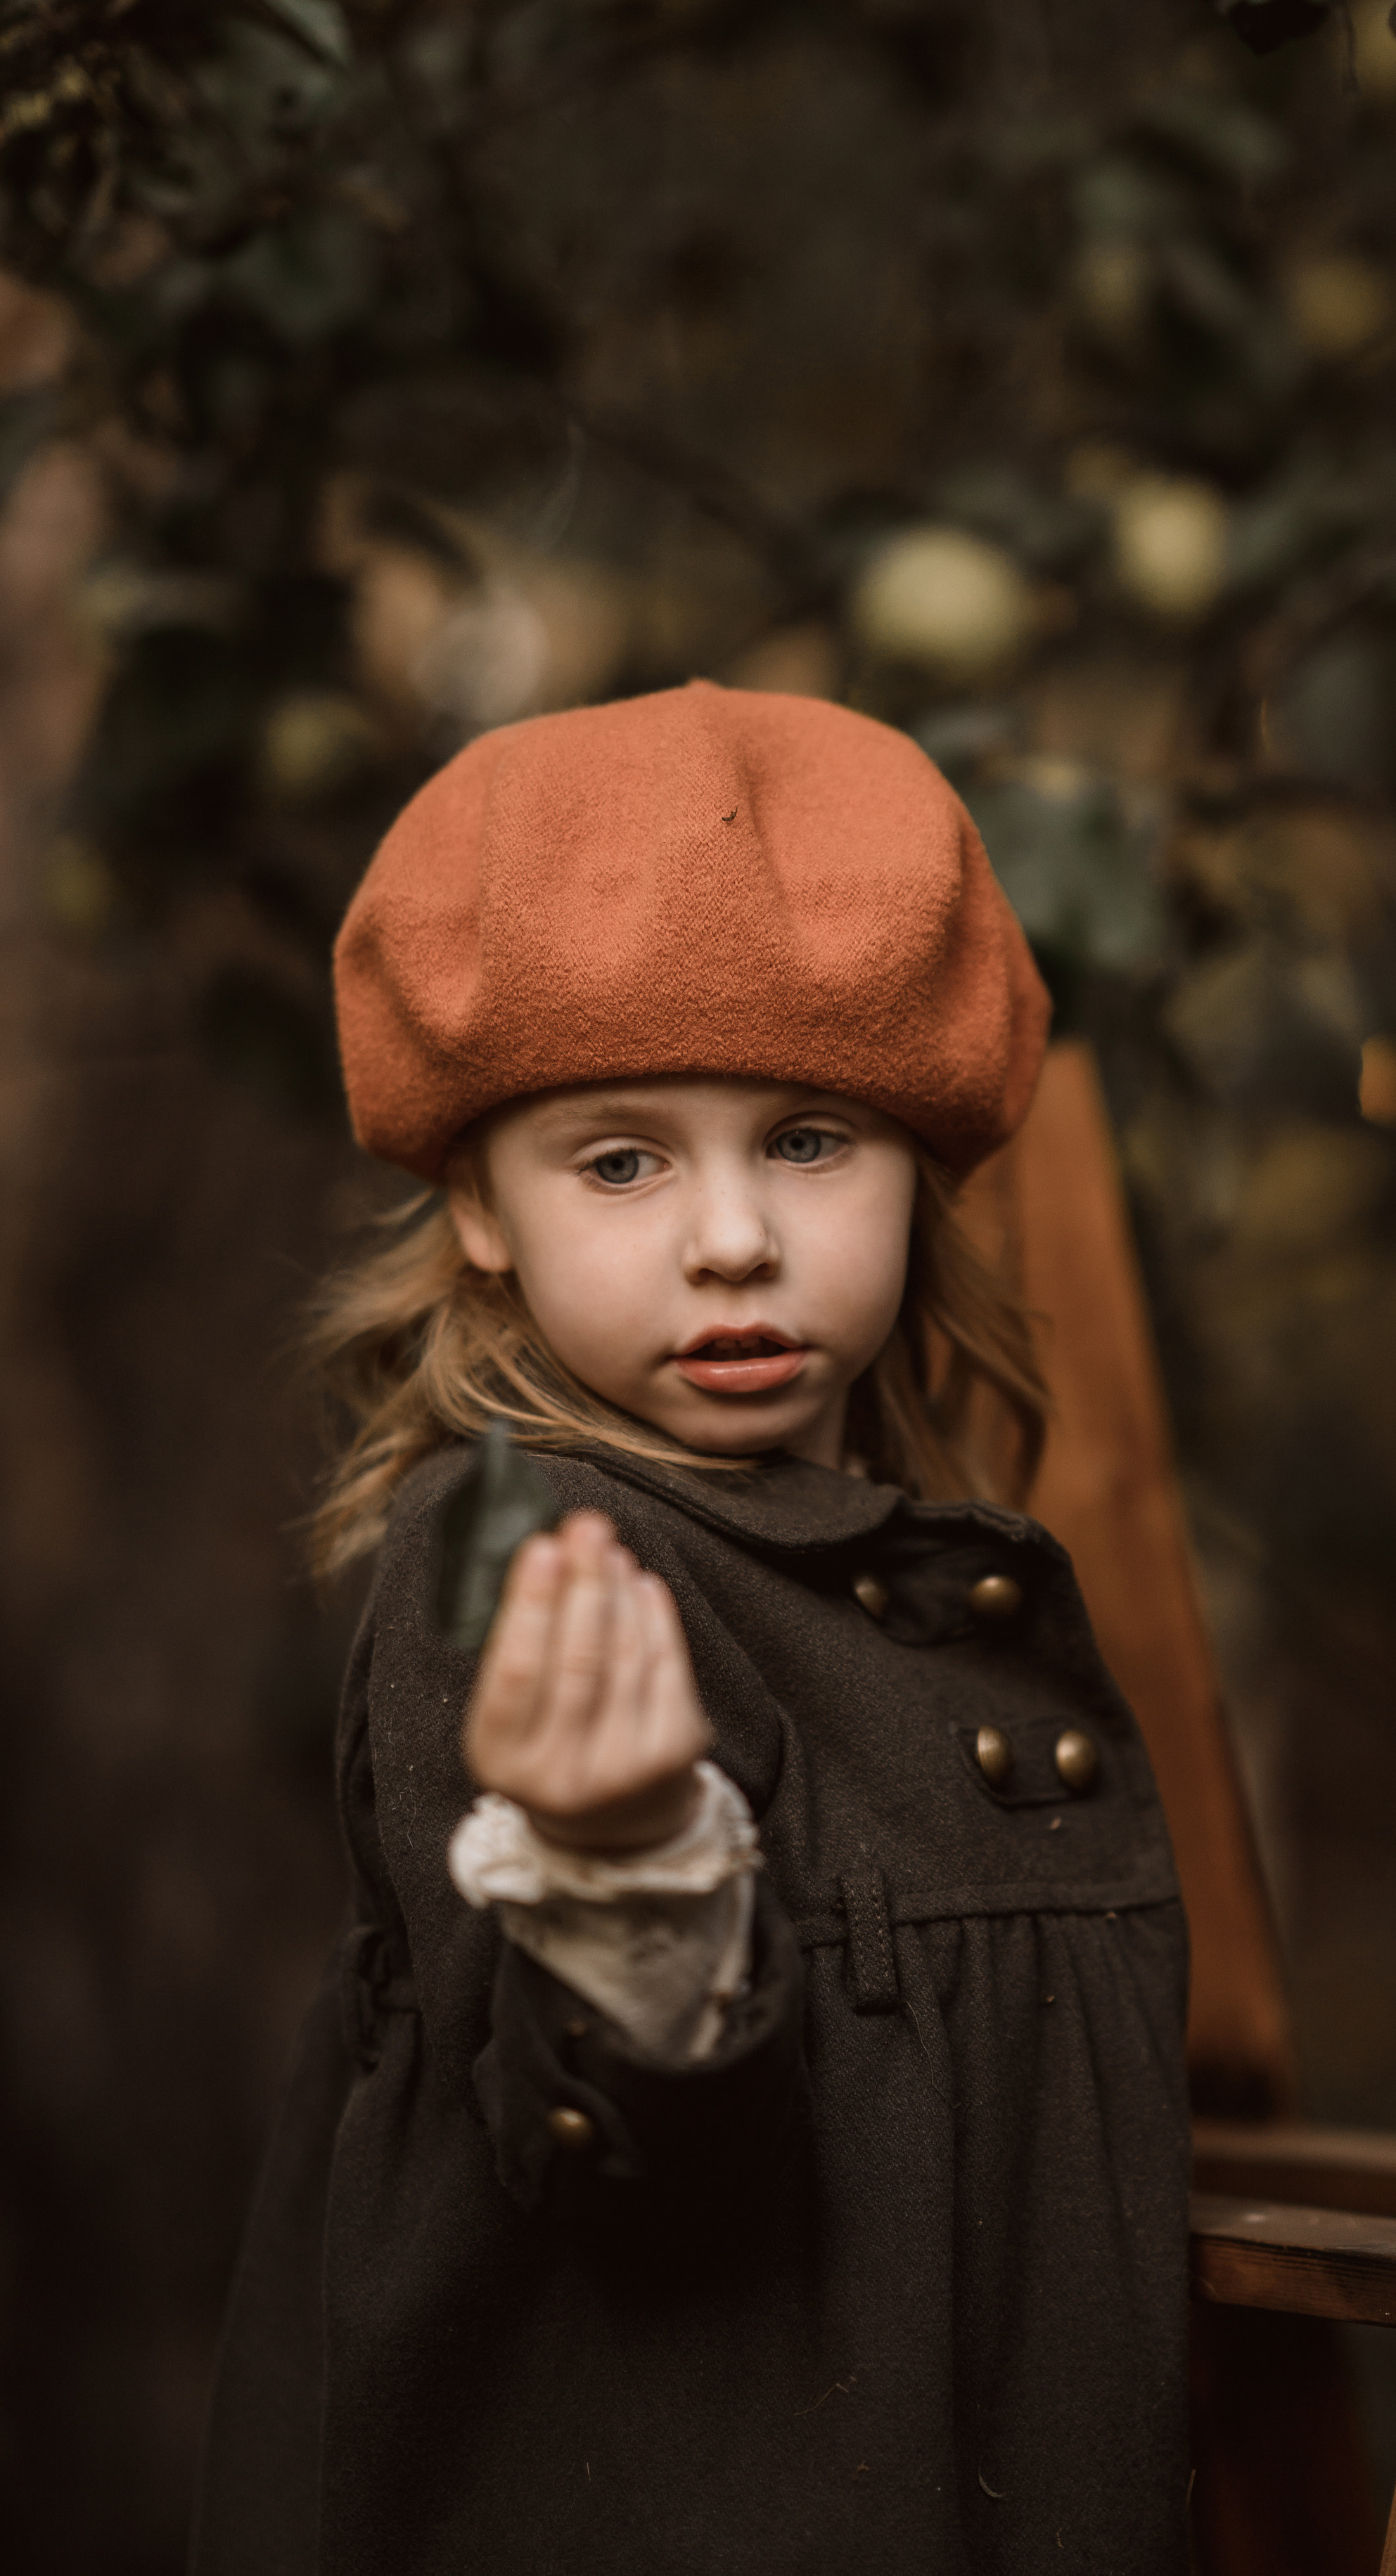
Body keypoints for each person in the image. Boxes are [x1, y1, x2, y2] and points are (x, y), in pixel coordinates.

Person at [191, 682, 1193, 2576]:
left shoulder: (922, 1580)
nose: (730, 1236)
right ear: (477, 1204)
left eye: (808, 1141)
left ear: (919, 1166)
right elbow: (635, 2166)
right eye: (622, 1160)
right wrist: (624, 1863)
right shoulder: (523, 1562)